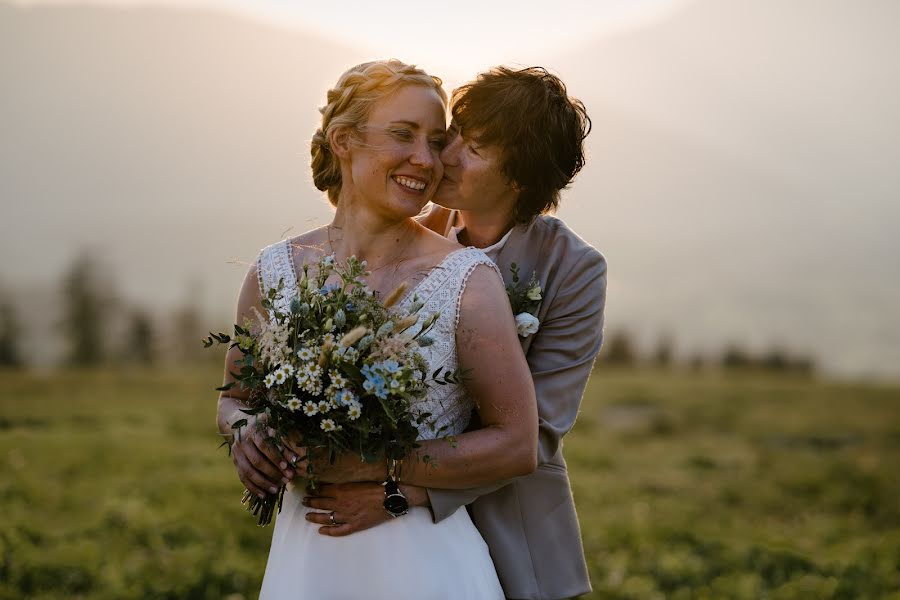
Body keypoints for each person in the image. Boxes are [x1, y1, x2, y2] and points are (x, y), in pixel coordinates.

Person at [216, 59, 538, 599]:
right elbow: (236, 398)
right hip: (306, 561)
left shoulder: (466, 281)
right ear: (343, 140)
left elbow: (517, 444)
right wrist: (247, 433)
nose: (425, 159)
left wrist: (379, 465)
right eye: (403, 135)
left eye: (436, 141)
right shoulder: (273, 271)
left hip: (423, 565)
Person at [304, 66, 607, 600]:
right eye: (456, 133)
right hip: (384, 530)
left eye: (476, 147)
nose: (444, 153)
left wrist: (399, 493)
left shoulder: (573, 269)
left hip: (510, 524)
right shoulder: (409, 235)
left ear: (519, 177)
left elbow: (535, 434)